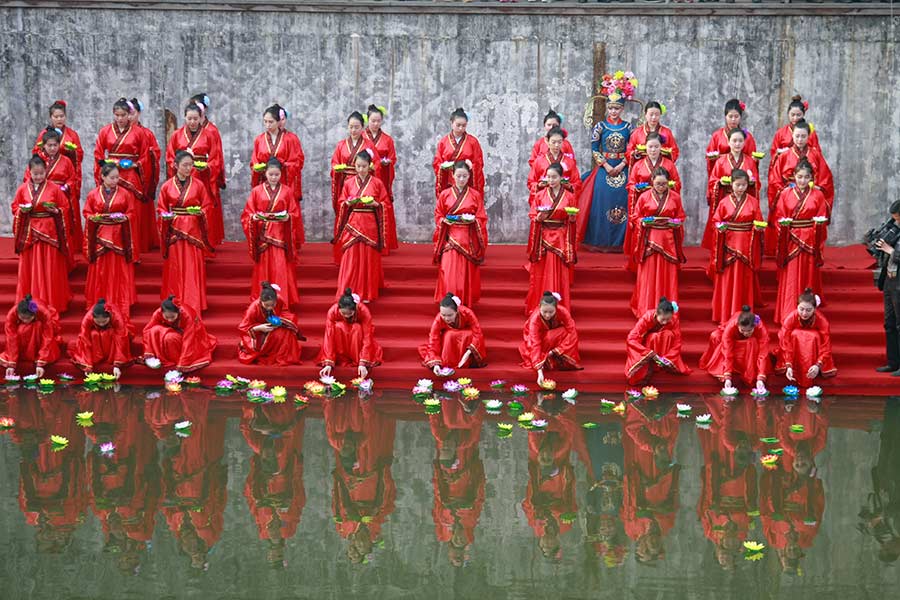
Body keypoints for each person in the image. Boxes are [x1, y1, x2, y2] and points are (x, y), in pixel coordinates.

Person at [240, 403, 306, 569]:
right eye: (278, 556)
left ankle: (256, 407)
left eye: (272, 556)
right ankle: (292, 408)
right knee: (286, 441)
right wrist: (287, 499)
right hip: (285, 473)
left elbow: (252, 501)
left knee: (266, 445)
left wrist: (260, 497)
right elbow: (298, 502)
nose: (275, 553)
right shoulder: (289, 530)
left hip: (265, 475)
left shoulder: (262, 531)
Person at [158, 150, 215, 313]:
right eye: (185, 165)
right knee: (175, 266)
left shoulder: (198, 185)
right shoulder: (167, 186)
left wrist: (199, 214)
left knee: (192, 266)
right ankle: (174, 300)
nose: (189, 168)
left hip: (193, 230)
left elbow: (207, 206)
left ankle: (194, 302)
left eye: (191, 165)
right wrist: (167, 217)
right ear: (175, 165)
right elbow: (161, 208)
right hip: (175, 231)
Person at [12, 154, 71, 312]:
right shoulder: (22, 189)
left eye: (41, 173)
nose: (38, 176)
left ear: (46, 172)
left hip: (49, 232)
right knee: (30, 269)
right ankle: (30, 306)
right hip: (30, 233)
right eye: (35, 174)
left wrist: (56, 211)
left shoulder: (55, 189)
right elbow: (15, 207)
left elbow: (65, 207)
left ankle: (51, 305)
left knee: (49, 268)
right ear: (29, 172)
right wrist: (22, 211)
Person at [767, 119, 833, 259]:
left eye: (803, 136)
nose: (800, 139)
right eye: (797, 136)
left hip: (810, 196)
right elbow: (775, 180)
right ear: (792, 136)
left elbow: (825, 178)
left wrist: (817, 187)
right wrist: (785, 191)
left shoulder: (815, 154)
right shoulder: (783, 156)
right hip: (789, 197)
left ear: (809, 137)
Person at [772, 160, 829, 324]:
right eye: (799, 177)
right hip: (790, 240)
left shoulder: (818, 195)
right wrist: (787, 231)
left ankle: (808, 315)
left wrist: (811, 234)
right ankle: (788, 313)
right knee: (791, 276)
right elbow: (779, 217)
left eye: (806, 177)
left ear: (812, 177)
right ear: (794, 176)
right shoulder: (785, 194)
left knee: (807, 275)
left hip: (810, 240)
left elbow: (821, 219)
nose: (803, 180)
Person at [94, 98, 152, 252]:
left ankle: (132, 251)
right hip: (111, 174)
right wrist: (104, 166)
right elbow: (98, 154)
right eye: (117, 115)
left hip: (131, 177)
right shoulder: (105, 131)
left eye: (123, 115)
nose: (120, 118)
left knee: (130, 213)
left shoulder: (139, 132)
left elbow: (145, 156)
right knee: (110, 208)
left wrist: (135, 164)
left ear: (129, 115)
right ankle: (110, 245)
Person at [241, 158, 301, 305]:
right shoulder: (256, 191)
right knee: (264, 266)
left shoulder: (287, 191)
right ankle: (262, 299)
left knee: (280, 266)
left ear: (281, 174)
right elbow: (247, 213)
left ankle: (283, 299)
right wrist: (254, 217)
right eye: (271, 174)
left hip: (280, 234)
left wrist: (288, 216)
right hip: (263, 234)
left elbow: (294, 213)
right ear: (265, 174)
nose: (274, 177)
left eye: (277, 175)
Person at [83, 162, 138, 320]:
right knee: (100, 269)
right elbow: (87, 211)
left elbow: (131, 212)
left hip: (119, 235)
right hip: (100, 235)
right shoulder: (93, 194)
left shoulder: (125, 194)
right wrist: (94, 217)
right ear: (103, 177)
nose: (115, 180)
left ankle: (120, 302)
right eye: (112, 177)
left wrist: (124, 217)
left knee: (119, 269)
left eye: (117, 177)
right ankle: (99, 301)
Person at [708, 169, 765, 323]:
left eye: (743, 185)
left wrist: (758, 229)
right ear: (731, 184)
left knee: (744, 279)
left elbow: (758, 220)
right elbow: (715, 221)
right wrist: (720, 228)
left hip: (747, 245)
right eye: (737, 185)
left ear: (748, 185)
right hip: (728, 244)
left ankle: (743, 314)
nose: (740, 188)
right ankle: (725, 314)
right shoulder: (724, 202)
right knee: (727, 279)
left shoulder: (753, 202)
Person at [577, 91, 632, 249]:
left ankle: (621, 242)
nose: (614, 111)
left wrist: (622, 164)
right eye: (611, 108)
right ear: (607, 108)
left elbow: (631, 148)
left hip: (623, 167)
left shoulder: (628, 127)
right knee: (600, 202)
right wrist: (606, 165)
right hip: (604, 168)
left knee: (625, 201)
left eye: (617, 108)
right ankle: (599, 240)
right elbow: (594, 149)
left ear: (622, 109)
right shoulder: (600, 127)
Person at [630, 167, 686, 318]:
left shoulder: (675, 197)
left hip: (668, 241)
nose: (661, 186)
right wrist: (644, 221)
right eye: (658, 183)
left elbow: (680, 216)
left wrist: (676, 223)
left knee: (667, 276)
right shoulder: (644, 197)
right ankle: (646, 309)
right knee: (648, 276)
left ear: (668, 182)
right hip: (650, 240)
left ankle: (668, 312)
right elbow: (635, 216)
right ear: (652, 182)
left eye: (664, 183)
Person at [165, 101, 223, 246]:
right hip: (181, 176)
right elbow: (170, 157)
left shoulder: (209, 135)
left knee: (203, 209)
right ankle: (182, 240)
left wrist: (207, 167)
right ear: (184, 117)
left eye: (195, 119)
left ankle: (205, 245)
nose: (192, 122)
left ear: (201, 118)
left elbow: (216, 157)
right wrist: (178, 168)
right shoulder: (177, 135)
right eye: (189, 118)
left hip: (202, 176)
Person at [333, 151, 388, 302]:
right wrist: (347, 203)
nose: (361, 169)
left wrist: (376, 204)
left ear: (369, 165)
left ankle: (367, 292)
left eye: (364, 166)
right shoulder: (349, 182)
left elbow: (385, 203)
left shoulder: (377, 183)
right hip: (353, 222)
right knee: (351, 258)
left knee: (368, 258)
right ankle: (348, 291)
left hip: (370, 222)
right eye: (358, 166)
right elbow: (342, 202)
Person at [433, 161, 488, 306]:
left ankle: (464, 302)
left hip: (468, 238)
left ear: (469, 176)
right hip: (450, 238)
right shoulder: (445, 195)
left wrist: (474, 221)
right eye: (458, 176)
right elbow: (438, 214)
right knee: (448, 271)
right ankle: (448, 304)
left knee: (465, 274)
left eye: (464, 176)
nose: (461, 179)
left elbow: (481, 217)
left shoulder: (475, 195)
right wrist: (444, 221)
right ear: (452, 176)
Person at [526, 163, 578, 313]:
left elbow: (572, 218)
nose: (551, 180)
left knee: (559, 272)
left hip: (561, 236)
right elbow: (532, 215)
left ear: (561, 178)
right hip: (543, 237)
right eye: (548, 177)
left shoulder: (569, 196)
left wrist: (573, 219)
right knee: (542, 271)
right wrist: (538, 218)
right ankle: (540, 306)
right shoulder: (540, 195)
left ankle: (559, 308)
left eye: (554, 177)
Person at [250, 104, 305, 245]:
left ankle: (290, 241)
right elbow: (254, 161)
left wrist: (281, 166)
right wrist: (259, 168)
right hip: (265, 181)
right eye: (265, 122)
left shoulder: (291, 139)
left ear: (279, 121)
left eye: (271, 122)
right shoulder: (259, 139)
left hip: (285, 180)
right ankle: (264, 238)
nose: (267, 125)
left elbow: (298, 161)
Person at [624, 133, 680, 269]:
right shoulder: (638, 165)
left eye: (656, 147)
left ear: (661, 147)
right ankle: (638, 267)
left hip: (663, 204)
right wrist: (636, 188)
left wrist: (668, 185)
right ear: (645, 147)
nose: (653, 150)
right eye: (650, 147)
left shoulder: (669, 164)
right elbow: (630, 184)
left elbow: (677, 184)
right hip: (644, 204)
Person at [703, 129, 761, 251]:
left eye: (740, 141)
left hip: (744, 201)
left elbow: (757, 182)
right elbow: (712, 181)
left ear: (744, 143)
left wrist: (751, 182)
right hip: (725, 200)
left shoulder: (750, 161)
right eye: (734, 141)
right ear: (728, 142)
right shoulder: (720, 161)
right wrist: (720, 182)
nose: (737, 144)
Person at [27, 128, 79, 261]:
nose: (52, 148)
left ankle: (64, 263)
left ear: (59, 144)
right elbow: (28, 179)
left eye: (55, 145)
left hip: (60, 198)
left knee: (62, 230)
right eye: (49, 145)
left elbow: (72, 179)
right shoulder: (37, 161)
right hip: (41, 198)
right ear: (43, 145)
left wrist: (65, 187)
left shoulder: (66, 161)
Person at [775, 288, 837, 388]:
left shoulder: (822, 321)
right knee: (795, 334)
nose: (804, 313)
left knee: (814, 336)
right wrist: (789, 365)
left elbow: (826, 344)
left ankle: (812, 368)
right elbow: (785, 342)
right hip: (794, 346)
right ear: (797, 307)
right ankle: (796, 368)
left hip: (814, 347)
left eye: (808, 310)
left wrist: (818, 364)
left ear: (815, 309)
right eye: (801, 309)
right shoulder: (790, 318)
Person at [699, 306, 770, 393]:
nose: (746, 333)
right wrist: (727, 376)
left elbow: (763, 352)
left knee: (752, 341)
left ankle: (748, 368)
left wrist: (760, 377)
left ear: (754, 326)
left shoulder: (760, 328)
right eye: (743, 330)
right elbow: (727, 351)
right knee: (715, 336)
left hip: (751, 347)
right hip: (734, 342)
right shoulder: (731, 327)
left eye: (749, 331)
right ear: (738, 325)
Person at [318, 288, 383, 380]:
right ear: (339, 308)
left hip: (357, 338)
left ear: (355, 308)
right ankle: (342, 357)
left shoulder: (363, 311)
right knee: (338, 326)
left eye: (350, 313)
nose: (347, 316)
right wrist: (329, 362)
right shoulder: (332, 311)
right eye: (343, 313)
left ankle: (357, 358)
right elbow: (329, 336)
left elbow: (367, 336)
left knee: (357, 327)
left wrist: (363, 363)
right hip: (341, 337)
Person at [33, 100, 84, 213]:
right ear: (51, 117)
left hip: (65, 173)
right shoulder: (44, 134)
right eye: (56, 117)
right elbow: (36, 154)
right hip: (47, 176)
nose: (59, 119)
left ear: (65, 117)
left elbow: (80, 154)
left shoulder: (72, 135)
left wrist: (72, 152)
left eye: (61, 116)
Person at [520, 291, 582, 385]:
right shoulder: (534, 319)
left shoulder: (563, 311)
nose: (547, 315)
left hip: (555, 336)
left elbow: (572, 332)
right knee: (549, 337)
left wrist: (556, 350)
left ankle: (555, 356)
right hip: (539, 338)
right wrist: (539, 371)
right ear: (539, 307)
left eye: (551, 312)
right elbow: (535, 343)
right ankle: (546, 359)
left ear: (556, 308)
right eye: (544, 312)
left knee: (565, 332)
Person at [142, 295, 217, 373]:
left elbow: (189, 340)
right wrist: (148, 354)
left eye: (172, 317)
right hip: (171, 332)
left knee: (170, 337)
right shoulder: (158, 312)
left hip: (193, 337)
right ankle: (157, 357)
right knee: (153, 330)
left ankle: (176, 360)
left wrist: (182, 364)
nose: (170, 320)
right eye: (167, 317)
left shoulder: (188, 316)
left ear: (179, 312)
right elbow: (147, 330)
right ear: (162, 312)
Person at [188, 93, 227, 242]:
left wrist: (212, 171)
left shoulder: (211, 131)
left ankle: (209, 239)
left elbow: (217, 156)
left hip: (205, 174)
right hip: (186, 173)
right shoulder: (180, 134)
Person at [625, 297, 690, 385]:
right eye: (663, 319)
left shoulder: (674, 320)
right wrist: (648, 352)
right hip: (648, 346)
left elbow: (677, 341)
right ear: (656, 313)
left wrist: (668, 358)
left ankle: (661, 363)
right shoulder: (647, 318)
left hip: (664, 346)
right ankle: (652, 364)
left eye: (668, 319)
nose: (665, 322)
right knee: (654, 337)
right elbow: (631, 338)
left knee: (668, 334)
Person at [237, 282, 304, 366]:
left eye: (273, 305)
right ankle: (269, 353)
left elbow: (286, 314)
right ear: (261, 301)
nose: (270, 307)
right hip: (258, 333)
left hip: (275, 327)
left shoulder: (279, 299)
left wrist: (279, 321)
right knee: (275, 336)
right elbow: (243, 327)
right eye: (267, 305)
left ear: (276, 300)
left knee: (286, 332)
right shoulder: (253, 308)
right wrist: (258, 328)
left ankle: (284, 356)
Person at [419, 293, 487, 374]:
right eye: (443, 315)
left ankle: (467, 362)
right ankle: (449, 362)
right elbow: (433, 341)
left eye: (450, 315)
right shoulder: (439, 319)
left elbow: (478, 334)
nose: (446, 318)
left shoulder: (467, 312)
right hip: (449, 340)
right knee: (449, 335)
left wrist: (468, 353)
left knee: (467, 335)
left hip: (467, 340)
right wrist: (436, 364)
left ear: (457, 311)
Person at [331, 111, 379, 219]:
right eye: (351, 127)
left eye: (357, 127)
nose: (353, 130)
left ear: (362, 127)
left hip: (364, 181)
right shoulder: (341, 145)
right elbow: (334, 163)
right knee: (344, 209)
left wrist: (371, 167)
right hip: (345, 183)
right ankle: (343, 235)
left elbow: (377, 163)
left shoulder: (369, 144)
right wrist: (337, 169)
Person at [68, 299, 133, 378]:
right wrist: (87, 366)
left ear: (109, 316)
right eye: (98, 322)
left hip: (115, 333)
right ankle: (96, 357)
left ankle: (110, 356)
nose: (101, 324)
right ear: (93, 317)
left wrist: (117, 365)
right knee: (93, 334)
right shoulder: (87, 319)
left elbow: (121, 340)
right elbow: (85, 341)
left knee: (110, 333)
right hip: (96, 334)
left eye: (104, 321)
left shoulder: (117, 318)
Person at [1, 295, 62, 377]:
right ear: (18, 313)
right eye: (22, 318)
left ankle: (36, 353)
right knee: (23, 329)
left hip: (42, 326)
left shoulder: (44, 313)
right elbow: (11, 338)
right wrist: (11, 363)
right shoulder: (12, 314)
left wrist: (41, 362)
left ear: (34, 314)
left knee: (36, 326)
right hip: (25, 331)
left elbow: (47, 337)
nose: (25, 320)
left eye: (28, 318)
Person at [364, 104, 398, 251]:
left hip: (381, 178)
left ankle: (384, 243)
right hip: (364, 176)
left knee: (382, 206)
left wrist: (386, 163)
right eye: (373, 121)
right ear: (367, 120)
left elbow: (392, 158)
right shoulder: (361, 137)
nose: (376, 124)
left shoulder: (388, 139)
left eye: (378, 121)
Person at [129, 98, 161, 250]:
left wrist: (147, 157)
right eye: (126, 114)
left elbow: (155, 153)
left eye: (132, 113)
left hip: (140, 173)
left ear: (138, 113)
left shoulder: (146, 133)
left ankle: (143, 241)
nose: (129, 117)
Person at [433, 107, 485, 198]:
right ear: (451, 123)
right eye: (458, 125)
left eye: (464, 125)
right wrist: (444, 166)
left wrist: (471, 165)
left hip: (467, 182)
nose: (461, 128)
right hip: (449, 182)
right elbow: (437, 163)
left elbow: (479, 163)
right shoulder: (443, 142)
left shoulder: (473, 142)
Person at [874, 200, 900, 375]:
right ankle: (893, 362)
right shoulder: (893, 229)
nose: (896, 221)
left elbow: (893, 252)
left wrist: (892, 251)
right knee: (889, 324)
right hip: (890, 281)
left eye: (898, 218)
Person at [704, 98, 759, 178]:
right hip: (722, 174)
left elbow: (752, 161)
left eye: (736, 116)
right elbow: (709, 158)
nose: (733, 119)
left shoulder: (748, 137)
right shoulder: (717, 136)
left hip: (742, 179)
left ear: (740, 117)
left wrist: (754, 160)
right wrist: (715, 159)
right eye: (730, 116)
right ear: (725, 117)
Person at [527, 126, 581, 206]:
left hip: (564, 202)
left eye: (559, 142)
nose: (556, 145)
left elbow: (577, 182)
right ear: (547, 141)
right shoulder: (539, 161)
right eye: (553, 142)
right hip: (543, 201)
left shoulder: (569, 162)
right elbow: (531, 181)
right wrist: (538, 186)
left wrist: (569, 186)